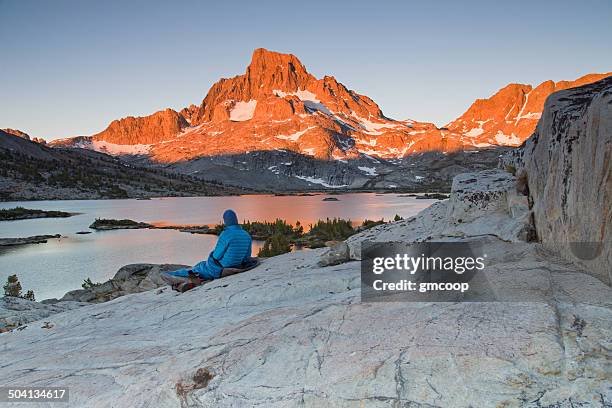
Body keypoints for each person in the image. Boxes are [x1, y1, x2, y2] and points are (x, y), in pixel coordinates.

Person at [161, 209, 252, 286]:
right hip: (237, 265)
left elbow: (216, 256)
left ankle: (172, 275)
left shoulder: (226, 234)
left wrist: (211, 255)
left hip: (221, 268)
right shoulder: (246, 235)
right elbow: (247, 257)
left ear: (226, 221)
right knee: (201, 266)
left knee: (199, 267)